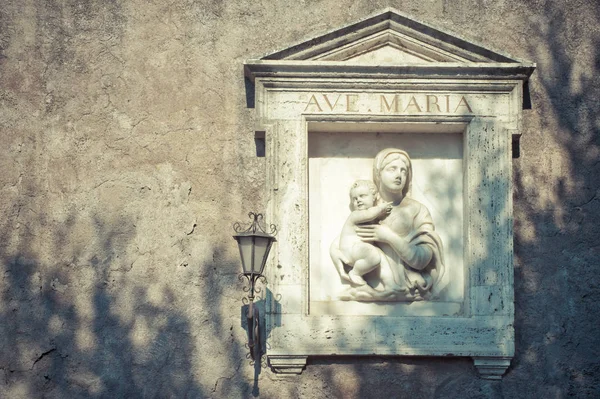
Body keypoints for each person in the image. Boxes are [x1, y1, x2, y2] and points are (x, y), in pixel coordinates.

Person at [331, 148, 445, 301]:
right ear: (378, 173)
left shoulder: (418, 210)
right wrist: (335, 251)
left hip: (410, 286)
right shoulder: (367, 208)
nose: (399, 175)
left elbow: (423, 259)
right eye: (392, 169)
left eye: (404, 171)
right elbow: (348, 235)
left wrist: (389, 237)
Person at [336, 180, 392, 286]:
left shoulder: (367, 215)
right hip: (351, 250)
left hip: (358, 251)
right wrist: (381, 208)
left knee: (377, 257)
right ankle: (355, 273)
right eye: (355, 198)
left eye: (362, 196)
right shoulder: (356, 214)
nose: (358, 200)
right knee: (373, 255)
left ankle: (391, 283)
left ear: (374, 197)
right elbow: (369, 214)